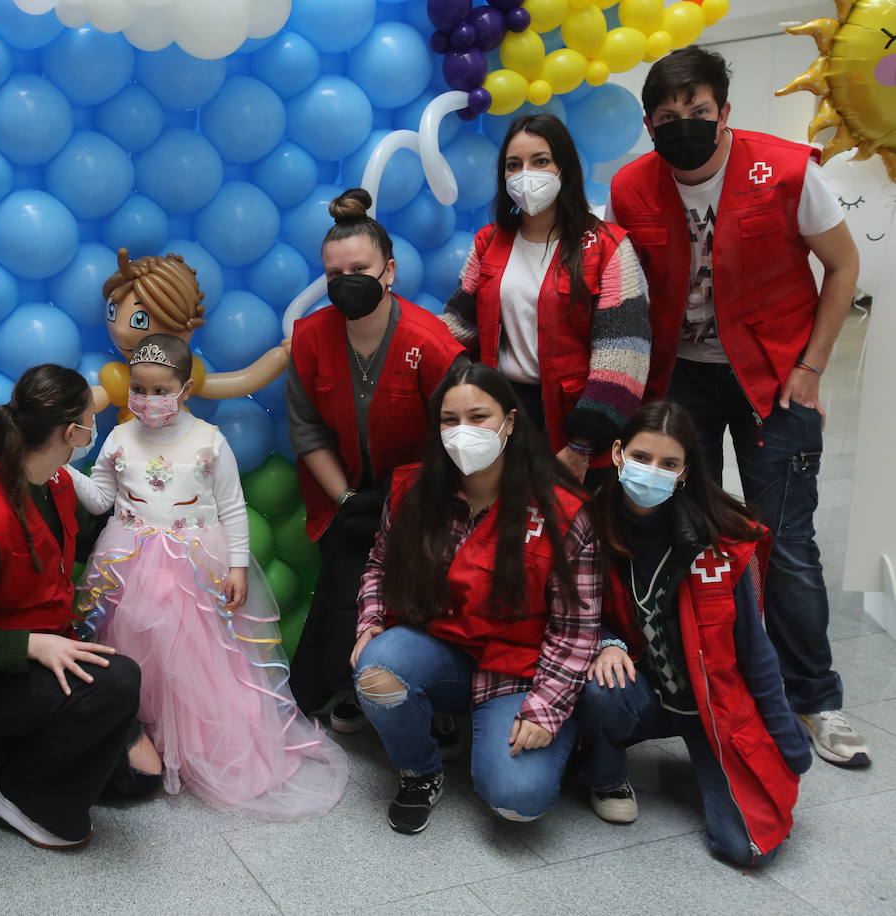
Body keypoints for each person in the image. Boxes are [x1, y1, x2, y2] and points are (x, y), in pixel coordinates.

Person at [607, 46, 868, 767]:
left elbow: (844, 266)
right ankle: (715, 672)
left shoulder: (787, 170)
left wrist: (813, 367)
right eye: (667, 116)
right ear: (650, 124)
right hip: (679, 382)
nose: (684, 125)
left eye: (698, 112)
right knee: (686, 526)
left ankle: (815, 697)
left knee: (784, 541)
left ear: (724, 112)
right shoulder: (630, 188)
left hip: (773, 378)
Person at [70, 334, 348, 819]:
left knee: (192, 658)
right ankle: (143, 741)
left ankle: (193, 744)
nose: (148, 400)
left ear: (186, 389)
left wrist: (238, 565)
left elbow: (233, 509)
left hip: (192, 568)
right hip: (128, 561)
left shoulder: (208, 440)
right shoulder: (118, 437)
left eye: (160, 390)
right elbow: (99, 499)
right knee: (139, 652)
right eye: (140, 389)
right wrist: (63, 468)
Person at [0, 364, 162, 852]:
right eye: (91, 420)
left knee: (142, 775)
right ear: (72, 432)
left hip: (37, 658)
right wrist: (33, 644)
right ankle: (23, 797)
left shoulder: (57, 484)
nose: (95, 428)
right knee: (120, 680)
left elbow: (75, 542)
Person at [352, 363, 599, 834]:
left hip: (519, 671)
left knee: (517, 803)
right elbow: (380, 566)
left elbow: (577, 628)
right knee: (377, 668)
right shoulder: (412, 489)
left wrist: (545, 707)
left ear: (509, 421)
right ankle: (421, 771)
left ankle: (560, 733)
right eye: (450, 420)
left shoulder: (561, 509)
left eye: (478, 417)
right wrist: (370, 621)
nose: (463, 431)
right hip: (439, 649)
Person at [575, 401, 812, 866]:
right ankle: (606, 776)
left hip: (711, 706)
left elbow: (755, 651)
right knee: (598, 690)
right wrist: (607, 641)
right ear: (619, 453)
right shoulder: (589, 523)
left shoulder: (721, 539)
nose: (651, 472)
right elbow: (568, 612)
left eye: (668, 464)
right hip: (638, 692)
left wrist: (785, 738)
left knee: (744, 846)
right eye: (641, 458)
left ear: (685, 472)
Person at [287, 187, 468, 731]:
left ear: (388, 271)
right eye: (334, 274)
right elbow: (307, 429)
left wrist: (408, 497)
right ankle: (354, 686)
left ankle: (433, 699)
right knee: (345, 589)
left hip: (427, 495)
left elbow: (459, 434)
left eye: (359, 269)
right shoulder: (309, 337)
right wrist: (345, 498)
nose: (347, 282)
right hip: (347, 493)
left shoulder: (428, 339)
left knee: (422, 592)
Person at [442, 113, 651, 487]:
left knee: (566, 533)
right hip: (501, 414)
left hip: (574, 419)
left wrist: (583, 443)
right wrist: (392, 329)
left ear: (564, 168)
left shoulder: (607, 246)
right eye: (513, 165)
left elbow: (624, 356)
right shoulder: (488, 243)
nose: (526, 174)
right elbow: (458, 326)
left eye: (540, 161)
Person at [91, 248, 289, 415]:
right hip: (133, 452)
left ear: (185, 328)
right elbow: (90, 401)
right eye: (112, 312)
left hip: (181, 450)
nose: (121, 331)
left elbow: (242, 382)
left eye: (139, 320)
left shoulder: (183, 371)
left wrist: (280, 356)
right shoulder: (123, 377)